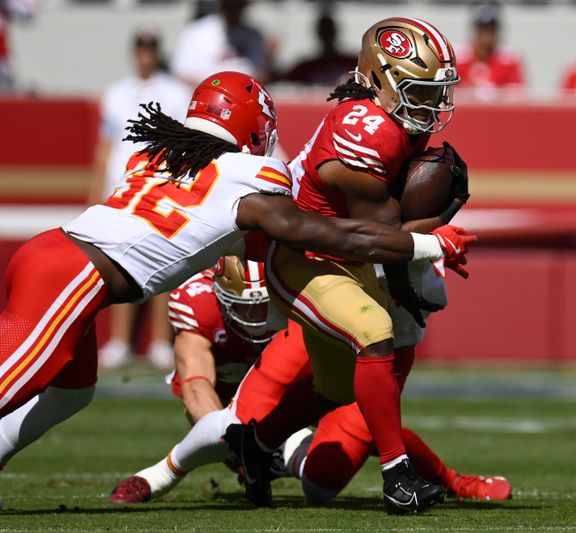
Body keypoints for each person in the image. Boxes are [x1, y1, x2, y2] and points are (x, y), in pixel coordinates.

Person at [0, 70, 473, 515]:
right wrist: (422, 241)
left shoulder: (161, 152)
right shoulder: (251, 176)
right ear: (252, 126)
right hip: (76, 273)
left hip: (60, 256)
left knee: (72, 390)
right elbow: (328, 235)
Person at [243, 18, 470, 514]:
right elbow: (380, 236)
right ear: (379, 79)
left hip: (346, 251)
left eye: (437, 92)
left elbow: (373, 234)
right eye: (419, 91)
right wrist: (440, 224)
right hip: (304, 256)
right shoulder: (365, 131)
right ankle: (398, 477)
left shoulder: (395, 123)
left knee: (336, 390)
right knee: (374, 330)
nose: (432, 105)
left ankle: (255, 446)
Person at [108, 264, 511, 505]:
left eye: (261, 303)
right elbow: (197, 390)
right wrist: (231, 449)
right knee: (235, 425)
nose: (255, 315)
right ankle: (158, 474)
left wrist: (424, 244)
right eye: (244, 304)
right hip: (265, 370)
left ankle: (453, 479)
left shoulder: (292, 287)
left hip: (331, 342)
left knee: (323, 482)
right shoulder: (197, 303)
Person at [87, 29, 191, 369]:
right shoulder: (116, 93)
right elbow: (106, 144)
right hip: (121, 189)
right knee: (120, 265)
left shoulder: (175, 92)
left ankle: (160, 341)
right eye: (141, 50)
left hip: (159, 188)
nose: (145, 56)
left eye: (150, 50)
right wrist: (95, 192)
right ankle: (119, 341)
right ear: (135, 53)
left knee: (162, 266)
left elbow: (181, 144)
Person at [166, 255, 278, 424]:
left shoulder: (296, 296)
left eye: (264, 305)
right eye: (245, 306)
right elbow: (196, 386)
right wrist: (224, 436)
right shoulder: (201, 302)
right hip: (222, 394)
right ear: (221, 296)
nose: (256, 316)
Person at [171, 0, 272, 86]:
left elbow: (262, 73)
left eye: (237, 5)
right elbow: (180, 73)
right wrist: (210, 90)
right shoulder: (197, 31)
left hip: (244, 99)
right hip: (206, 98)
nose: (233, 10)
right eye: (229, 6)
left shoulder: (253, 35)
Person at [455, 3, 524, 98]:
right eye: (482, 30)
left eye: (490, 30)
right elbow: (449, 94)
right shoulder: (458, 58)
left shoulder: (509, 60)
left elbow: (517, 96)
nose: (486, 37)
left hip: (500, 112)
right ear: (475, 31)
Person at [279, 10, 357, 87]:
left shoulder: (353, 63)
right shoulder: (304, 68)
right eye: (324, 32)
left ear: (335, 32)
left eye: (329, 32)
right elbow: (282, 82)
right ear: (319, 34)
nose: (327, 36)